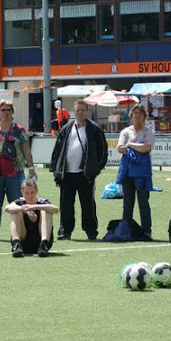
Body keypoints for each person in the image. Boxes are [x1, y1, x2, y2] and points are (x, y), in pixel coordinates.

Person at [50, 99, 108, 240]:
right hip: (67, 173)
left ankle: (91, 232)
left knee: (88, 204)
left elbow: (103, 151)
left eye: (83, 110)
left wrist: (95, 170)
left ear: (87, 111)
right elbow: (57, 150)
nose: (80, 112)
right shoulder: (66, 129)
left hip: (85, 174)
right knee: (66, 204)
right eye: (77, 110)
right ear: (74, 112)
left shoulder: (94, 129)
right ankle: (65, 231)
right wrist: (55, 168)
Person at [0, 98, 35, 239]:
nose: (6, 112)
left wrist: (31, 168)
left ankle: (18, 232)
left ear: (12, 112)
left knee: (17, 205)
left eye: (9, 110)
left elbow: (26, 150)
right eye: (3, 110)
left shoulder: (19, 130)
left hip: (15, 174)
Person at [117, 103, 154, 239]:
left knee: (143, 203)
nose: (137, 116)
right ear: (131, 115)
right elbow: (120, 148)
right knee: (127, 203)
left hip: (142, 173)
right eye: (135, 113)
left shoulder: (148, 132)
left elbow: (147, 148)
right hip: (127, 172)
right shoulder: (126, 132)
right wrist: (137, 147)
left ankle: (146, 231)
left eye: (140, 113)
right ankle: (126, 230)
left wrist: (130, 145)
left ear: (144, 116)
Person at [5, 179, 59, 258]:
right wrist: (24, 209)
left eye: (32, 192)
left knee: (46, 210)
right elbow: (7, 208)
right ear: (22, 192)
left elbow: (55, 209)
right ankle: (16, 245)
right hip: (23, 242)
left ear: (36, 191)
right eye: (27, 193)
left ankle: (44, 244)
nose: (30, 196)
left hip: (40, 242)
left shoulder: (42, 202)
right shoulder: (19, 202)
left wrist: (34, 207)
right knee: (15, 211)